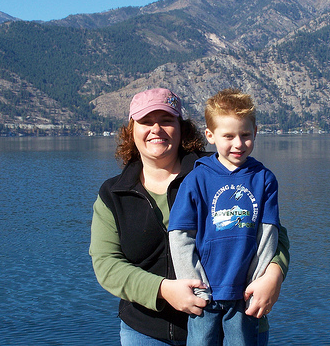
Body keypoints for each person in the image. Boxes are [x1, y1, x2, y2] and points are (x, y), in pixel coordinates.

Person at [89, 88, 289, 345]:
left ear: (182, 128)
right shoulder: (114, 193)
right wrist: (162, 290)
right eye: (146, 122)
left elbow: (275, 234)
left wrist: (273, 274)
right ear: (131, 130)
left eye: (167, 121)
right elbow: (106, 264)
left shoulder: (221, 170)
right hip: (149, 330)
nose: (157, 129)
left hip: (239, 319)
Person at [168, 89, 280, 345]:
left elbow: (268, 233)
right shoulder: (196, 179)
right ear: (210, 136)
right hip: (204, 295)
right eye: (228, 136)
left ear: (255, 133)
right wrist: (196, 284)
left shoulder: (264, 180)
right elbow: (180, 234)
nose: (238, 143)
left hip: (244, 294)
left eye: (245, 135)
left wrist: (257, 279)